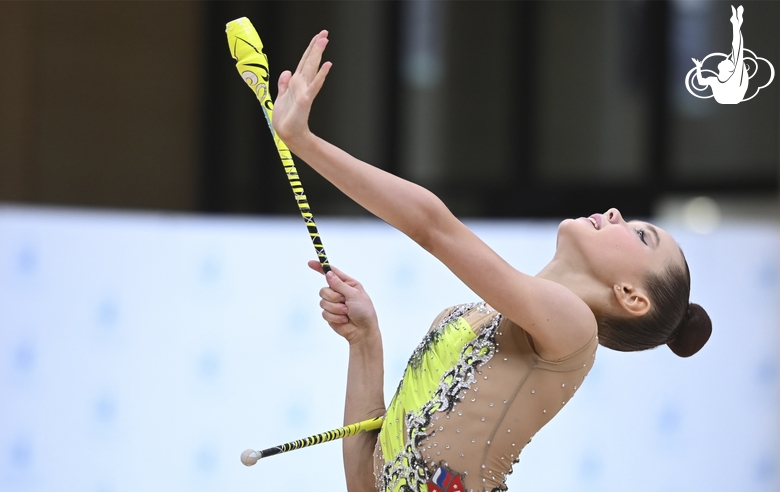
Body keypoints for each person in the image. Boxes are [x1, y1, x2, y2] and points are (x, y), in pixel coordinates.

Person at [273, 31, 712, 492]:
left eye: (641, 235)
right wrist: (365, 342)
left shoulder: (574, 329)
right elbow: (367, 482)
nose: (619, 215)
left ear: (631, 296)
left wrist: (304, 142)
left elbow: (432, 226)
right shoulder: (460, 320)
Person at [692, 5, 748, 104]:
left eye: (728, 61)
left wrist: (736, 26)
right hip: (726, 99)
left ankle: (736, 23)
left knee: (737, 50)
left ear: (730, 69)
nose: (725, 59)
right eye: (729, 60)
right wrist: (698, 67)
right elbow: (701, 82)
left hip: (733, 97)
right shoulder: (714, 80)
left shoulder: (734, 78)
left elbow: (737, 48)